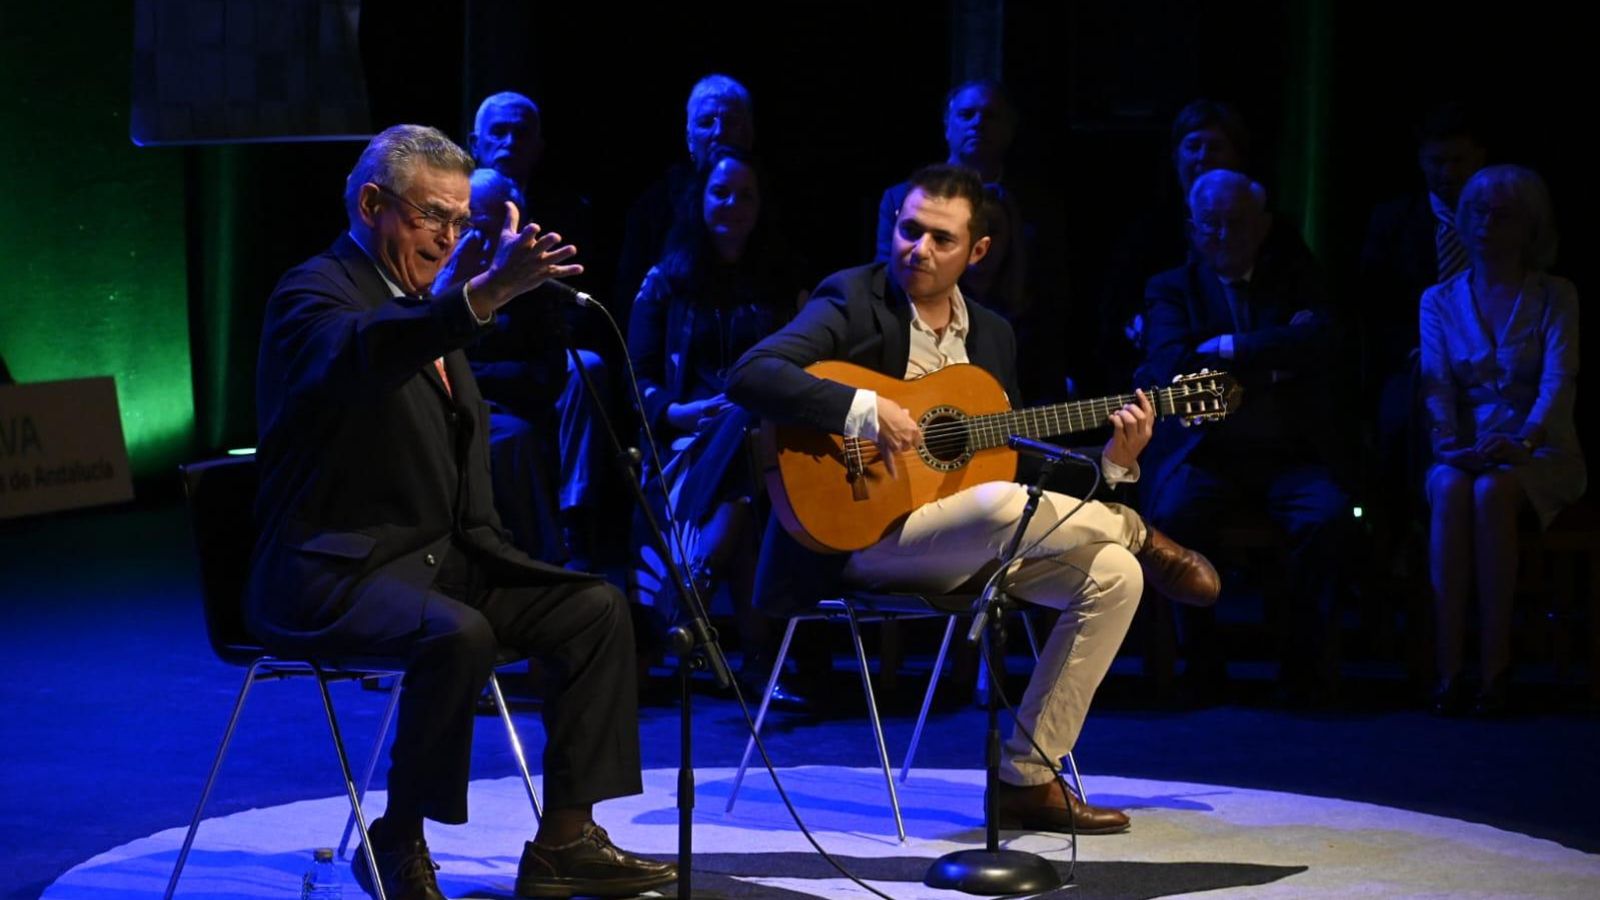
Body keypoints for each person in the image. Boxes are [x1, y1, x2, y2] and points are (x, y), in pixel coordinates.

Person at [726, 164, 1219, 835]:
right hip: (862, 538)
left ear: (977, 251)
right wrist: (865, 409)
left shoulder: (992, 337)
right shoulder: (853, 298)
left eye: (940, 239)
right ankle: (1134, 526)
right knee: (1000, 505)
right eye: (909, 230)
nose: (918, 249)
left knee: (1114, 575)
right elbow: (752, 373)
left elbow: (1007, 457)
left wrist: (1115, 464)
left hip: (966, 538)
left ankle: (1027, 778)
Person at [249, 125, 675, 899]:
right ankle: (397, 836)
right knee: (457, 634)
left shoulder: (425, 303)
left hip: (438, 558)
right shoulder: (313, 294)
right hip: (332, 568)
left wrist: (456, 300)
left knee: (594, 608)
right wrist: (474, 299)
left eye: (458, 221)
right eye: (430, 218)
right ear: (373, 204)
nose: (447, 237)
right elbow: (364, 355)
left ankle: (565, 840)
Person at [1137, 169, 1353, 705]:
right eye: (1210, 224)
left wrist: (1231, 348)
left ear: (1261, 226)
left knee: (1328, 515)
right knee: (1175, 514)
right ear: (1193, 229)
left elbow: (1324, 342)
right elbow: (1173, 368)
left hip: (1289, 453)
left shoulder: (1295, 277)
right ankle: (1202, 667)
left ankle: (1304, 670)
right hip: (1208, 452)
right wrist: (1277, 361)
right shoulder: (1171, 288)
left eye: (1236, 223)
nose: (1223, 235)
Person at [1420, 164, 1584, 715]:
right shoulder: (1439, 300)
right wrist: (1446, 439)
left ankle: (1495, 670)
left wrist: (1527, 439)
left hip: (1541, 448)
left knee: (1494, 493)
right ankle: (1447, 671)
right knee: (1448, 485)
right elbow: (1436, 383)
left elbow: (1559, 382)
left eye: (1502, 214)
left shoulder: (1556, 296)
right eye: (1477, 213)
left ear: (1530, 225)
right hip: (1467, 448)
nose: (1487, 223)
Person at [615, 74, 755, 331]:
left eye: (731, 121)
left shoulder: (771, 202)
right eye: (706, 122)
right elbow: (629, 298)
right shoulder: (654, 206)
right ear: (689, 137)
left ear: (749, 133)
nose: (719, 132)